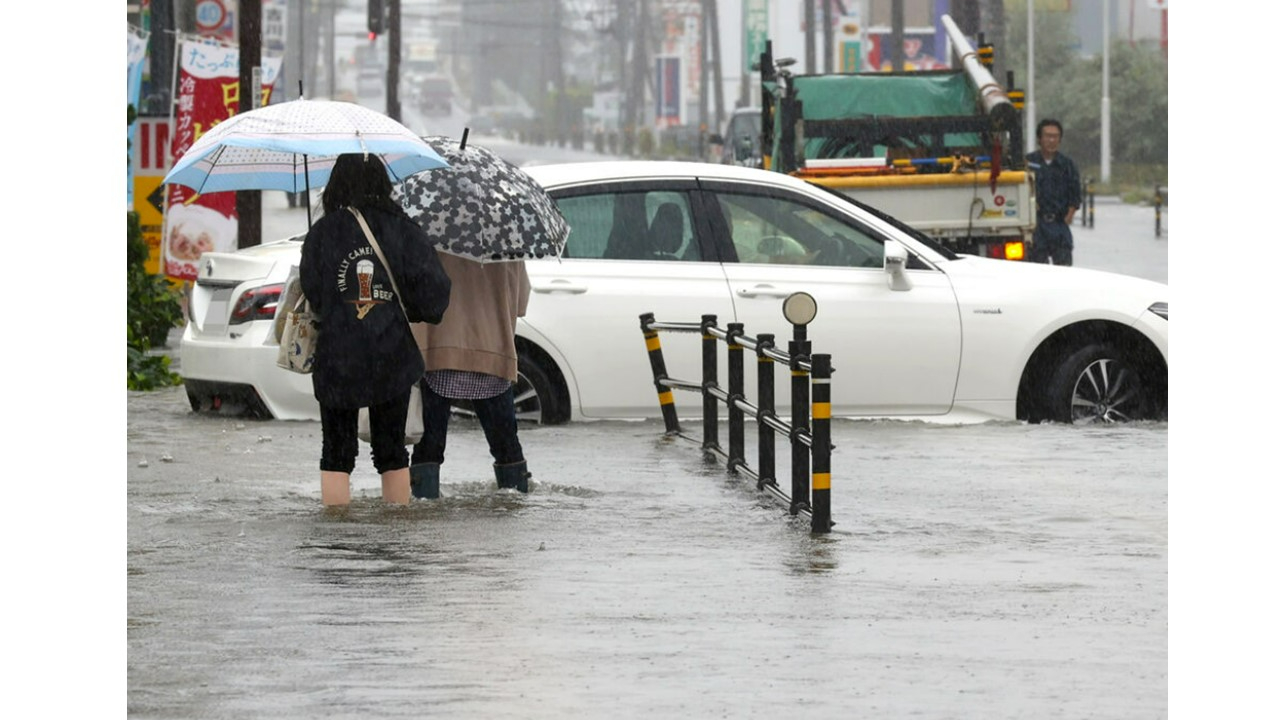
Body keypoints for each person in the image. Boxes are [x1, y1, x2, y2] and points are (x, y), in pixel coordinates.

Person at [299, 154, 451, 507]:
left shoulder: (323, 231)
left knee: (335, 452)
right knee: (391, 449)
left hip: (338, 354)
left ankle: (336, 536)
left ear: (336, 184)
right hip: (391, 352)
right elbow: (434, 294)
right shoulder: (403, 229)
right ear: (383, 183)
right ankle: (396, 528)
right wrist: (404, 309)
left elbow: (313, 293)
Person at [408, 254, 533, 498]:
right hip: (492, 352)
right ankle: (514, 508)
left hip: (439, 351)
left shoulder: (432, 235)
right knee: (506, 446)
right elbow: (521, 304)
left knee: (428, 447)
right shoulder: (507, 241)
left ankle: (424, 505)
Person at [1025, 118, 1082, 266]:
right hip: (1036, 226)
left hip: (1059, 224)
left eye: (1055, 136)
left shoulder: (1067, 165)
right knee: (1036, 270)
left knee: (1064, 271)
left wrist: (1068, 217)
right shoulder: (1027, 162)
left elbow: (1075, 196)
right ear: (1039, 139)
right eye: (1047, 136)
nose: (1051, 140)